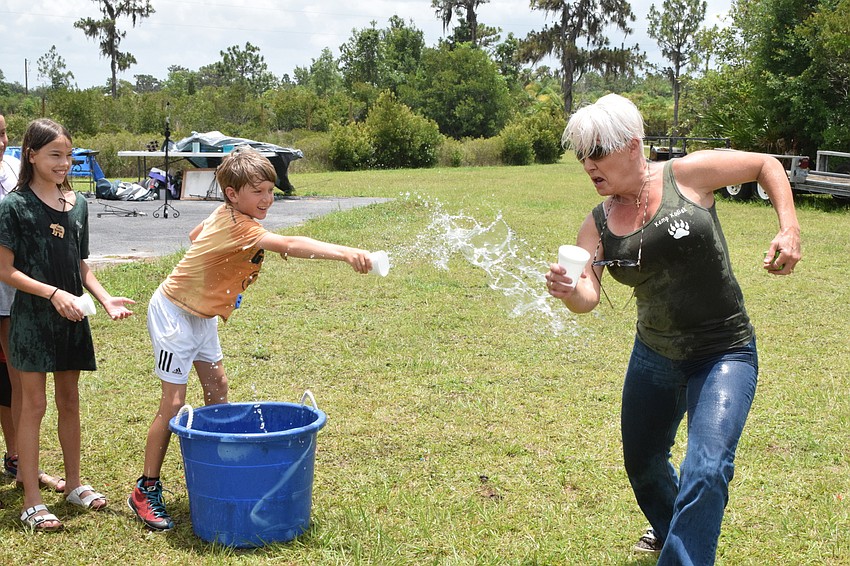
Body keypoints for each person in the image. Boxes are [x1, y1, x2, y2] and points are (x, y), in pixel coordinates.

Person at [545, 94, 801, 564]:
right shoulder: (598, 225)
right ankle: (671, 527)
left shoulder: (686, 175)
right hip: (655, 355)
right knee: (643, 464)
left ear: (632, 146)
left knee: (705, 468)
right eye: (583, 156)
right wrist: (568, 290)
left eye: (597, 152)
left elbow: (766, 164)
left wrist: (789, 228)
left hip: (724, 352)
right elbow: (588, 297)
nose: (589, 165)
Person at [128, 147, 375, 531]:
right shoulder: (241, 225)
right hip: (173, 313)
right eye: (258, 192)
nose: (267, 199)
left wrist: (218, 273)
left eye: (270, 190)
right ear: (233, 194)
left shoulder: (226, 214)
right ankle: (146, 488)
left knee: (217, 386)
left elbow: (196, 235)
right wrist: (345, 253)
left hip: (201, 315)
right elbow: (291, 245)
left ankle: (219, 465)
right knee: (174, 402)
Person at [0, 118, 135, 531]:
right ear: (32, 155)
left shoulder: (78, 204)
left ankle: (74, 483)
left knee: (70, 400)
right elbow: (5, 270)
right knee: (33, 406)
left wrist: (104, 296)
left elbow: (81, 264)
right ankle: (32, 499)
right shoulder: (14, 206)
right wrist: (53, 294)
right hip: (33, 319)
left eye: (69, 155)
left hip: (72, 316)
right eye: (55, 155)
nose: (64, 163)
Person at [0, 113, 67, 501]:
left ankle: (18, 459)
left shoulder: (13, 170)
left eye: (3, 132)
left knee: (16, 382)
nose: (0, 140)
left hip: (12, 296)